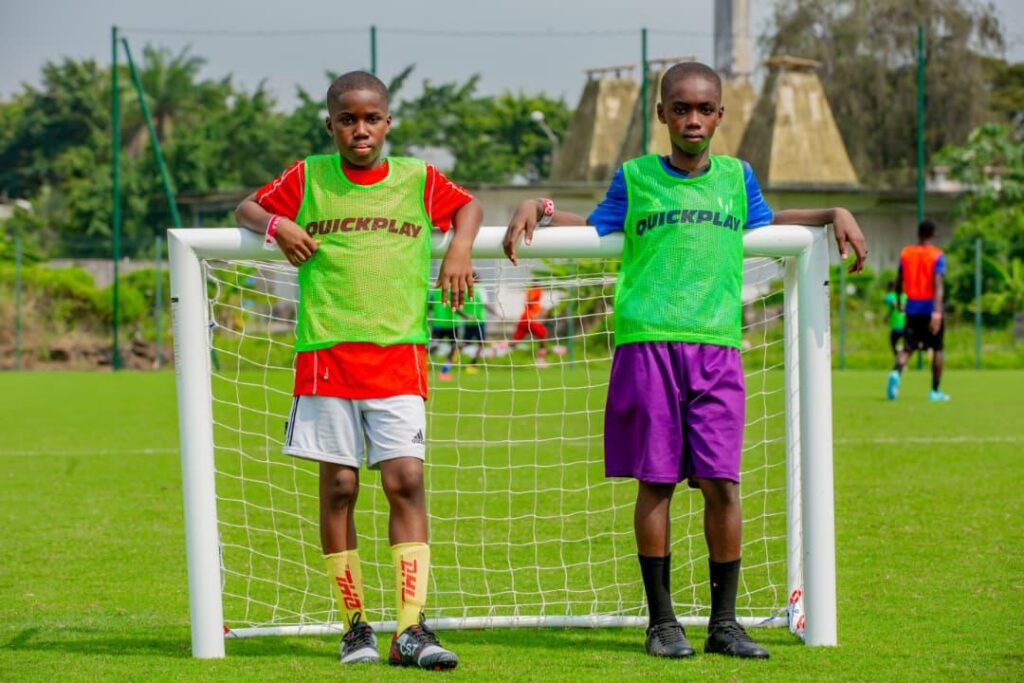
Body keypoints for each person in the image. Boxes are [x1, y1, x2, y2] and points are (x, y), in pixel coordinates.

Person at [503, 61, 867, 660]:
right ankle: (662, 623)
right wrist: (537, 206)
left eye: (703, 109)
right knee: (657, 483)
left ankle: (724, 625)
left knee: (723, 483)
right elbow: (592, 229)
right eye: (680, 109)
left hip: (717, 349)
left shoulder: (737, 178)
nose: (692, 119)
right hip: (647, 345)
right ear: (662, 115)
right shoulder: (635, 177)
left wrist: (832, 213)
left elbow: (769, 224)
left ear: (720, 115)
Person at [234, 70, 481, 670]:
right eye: (348, 120)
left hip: (399, 354)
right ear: (331, 126)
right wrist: (277, 224)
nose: (360, 130)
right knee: (341, 487)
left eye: (371, 119)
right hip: (327, 355)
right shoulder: (308, 176)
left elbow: (468, 206)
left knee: (406, 481)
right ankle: (354, 627)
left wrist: (458, 246)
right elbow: (246, 207)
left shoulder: (417, 178)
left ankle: (410, 629)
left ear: (388, 123)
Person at [887, 220, 949, 401]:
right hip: (930, 308)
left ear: (919, 233)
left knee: (907, 348)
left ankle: (896, 373)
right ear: (933, 234)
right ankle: (935, 391)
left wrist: (900, 301)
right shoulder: (937, 255)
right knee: (937, 348)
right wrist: (937, 312)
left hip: (912, 308)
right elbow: (937, 285)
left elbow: (899, 280)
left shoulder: (906, 253)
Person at [429, 287, 459, 381]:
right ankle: (444, 372)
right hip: (451, 324)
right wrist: (466, 316)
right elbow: (455, 307)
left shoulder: (435, 291)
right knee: (454, 348)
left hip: (438, 323)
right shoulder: (454, 289)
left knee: (434, 346)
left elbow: (429, 306)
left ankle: (416, 358)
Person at [883, 280, 907, 358]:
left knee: (893, 343)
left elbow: (891, 302)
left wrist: (898, 307)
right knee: (906, 344)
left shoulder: (890, 295)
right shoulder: (905, 296)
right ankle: (902, 356)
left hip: (897, 324)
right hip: (907, 324)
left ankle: (899, 359)